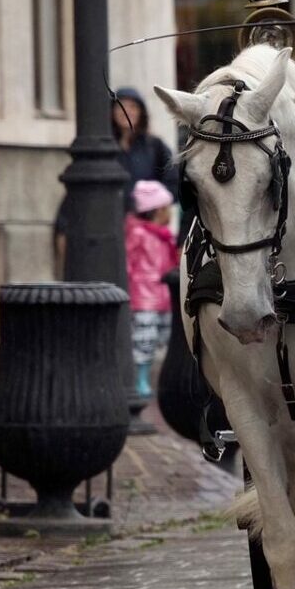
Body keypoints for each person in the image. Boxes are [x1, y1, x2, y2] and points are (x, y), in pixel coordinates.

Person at [53, 87, 178, 276]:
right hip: (110, 229)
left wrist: (153, 206)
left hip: (146, 235)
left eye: (132, 107)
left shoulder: (154, 146)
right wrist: (63, 227)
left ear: (141, 112)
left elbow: (174, 181)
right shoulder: (103, 147)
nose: (127, 111)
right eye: (121, 107)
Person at [125, 180, 180, 402]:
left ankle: (153, 379)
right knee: (143, 341)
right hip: (143, 298)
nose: (170, 212)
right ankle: (141, 379)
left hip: (163, 297)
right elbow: (128, 263)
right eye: (167, 208)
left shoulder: (164, 235)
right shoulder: (137, 234)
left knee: (163, 339)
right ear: (157, 210)